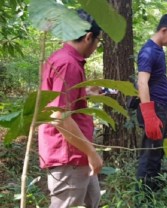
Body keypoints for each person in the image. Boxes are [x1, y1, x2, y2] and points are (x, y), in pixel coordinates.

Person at [38, 9, 103, 208]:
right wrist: (92, 152)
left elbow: (61, 101)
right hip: (69, 155)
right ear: (88, 37)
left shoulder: (63, 58)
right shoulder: (68, 64)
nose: (96, 46)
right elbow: (59, 116)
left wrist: (85, 93)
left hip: (76, 153)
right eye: (98, 41)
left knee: (92, 200)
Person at [136, 12, 167, 192]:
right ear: (164, 30)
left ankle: (153, 189)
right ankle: (142, 195)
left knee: (157, 152)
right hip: (153, 110)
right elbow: (142, 82)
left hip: (161, 108)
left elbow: (159, 79)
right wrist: (149, 115)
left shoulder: (158, 50)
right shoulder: (148, 51)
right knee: (150, 154)